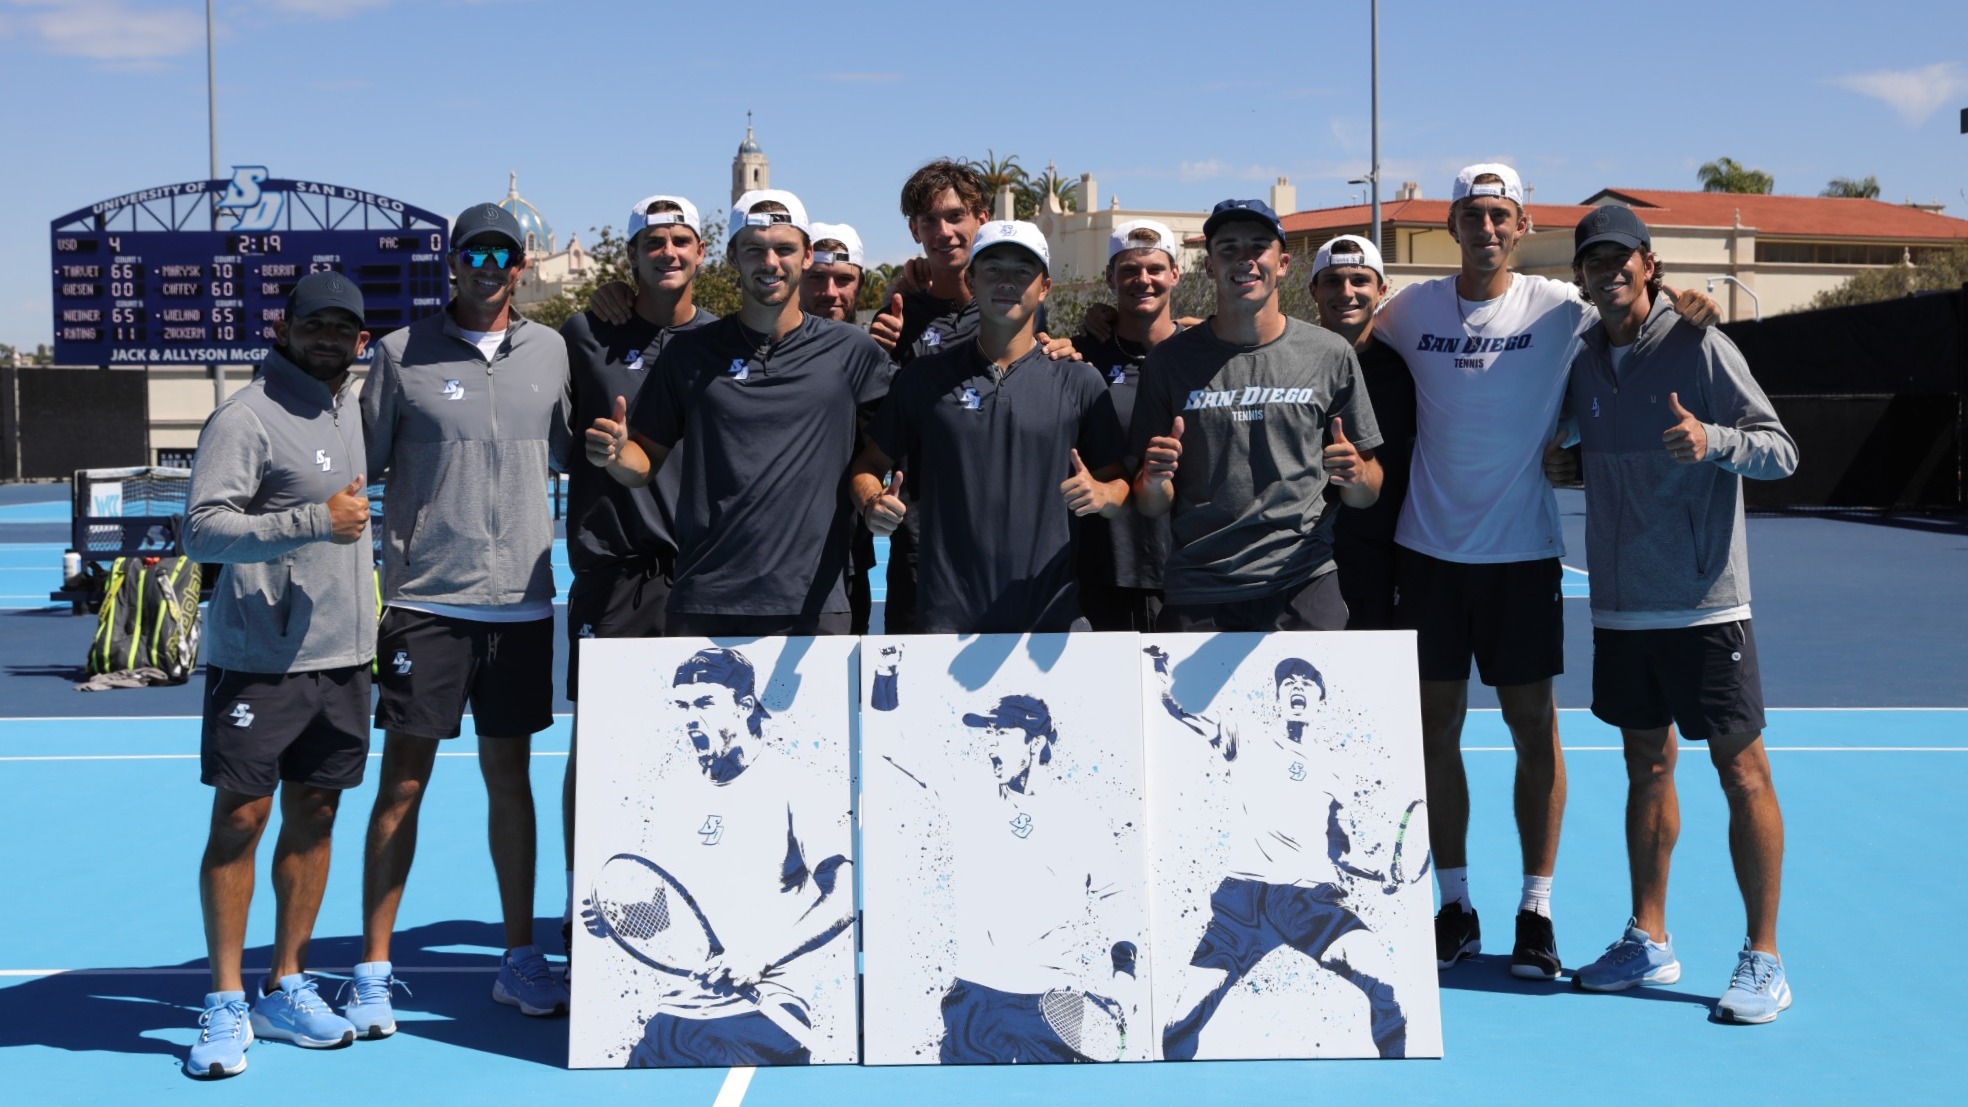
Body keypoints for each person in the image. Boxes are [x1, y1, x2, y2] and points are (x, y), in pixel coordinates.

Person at [1367, 164, 1717, 978]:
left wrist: (1684, 299)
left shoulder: (1561, 308)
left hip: (1521, 556)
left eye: (1501, 215)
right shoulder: (1411, 310)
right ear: (1453, 224)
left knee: (1534, 732)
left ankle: (1536, 911)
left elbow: (1634, 310)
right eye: (1473, 214)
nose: (1486, 227)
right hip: (1428, 554)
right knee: (1435, 731)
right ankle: (1454, 905)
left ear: (1521, 226)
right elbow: (1335, 331)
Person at [1545, 206, 1797, 1022]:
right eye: (1594, 260)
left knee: (1742, 773)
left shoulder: (1701, 344)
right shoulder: (1583, 359)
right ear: (1582, 274)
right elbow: (1572, 439)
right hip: (1623, 611)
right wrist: (1563, 454)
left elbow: (1780, 449)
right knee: (1646, 769)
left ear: (1648, 264)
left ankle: (1765, 957)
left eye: (1621, 257)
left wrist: (1715, 440)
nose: (1608, 269)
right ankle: (1648, 937)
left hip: (1704, 607)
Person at [353, 202, 573, 1032]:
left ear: (521, 266)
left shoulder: (550, 351)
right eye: (475, 253)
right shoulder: (398, 355)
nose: (489, 267)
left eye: (503, 254)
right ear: (452, 263)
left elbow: (576, 450)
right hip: (425, 603)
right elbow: (358, 466)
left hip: (521, 603)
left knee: (510, 777)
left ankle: (519, 956)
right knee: (403, 781)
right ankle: (374, 969)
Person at [179, 272, 376, 1077]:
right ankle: (225, 999)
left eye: (342, 327)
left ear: (360, 340)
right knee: (242, 818)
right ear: (284, 327)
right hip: (261, 659)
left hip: (343, 655)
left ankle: (284, 982)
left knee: (317, 813)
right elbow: (201, 530)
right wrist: (313, 521)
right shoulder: (245, 416)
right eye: (314, 323)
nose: (328, 337)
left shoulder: (354, 404)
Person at [585, 189, 888, 637]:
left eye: (784, 249)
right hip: (705, 600)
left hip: (816, 602)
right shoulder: (688, 354)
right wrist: (613, 455)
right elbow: (644, 461)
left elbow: (875, 457)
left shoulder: (854, 352)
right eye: (754, 250)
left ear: (806, 256)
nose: (770, 262)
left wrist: (873, 499)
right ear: (732, 257)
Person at [558, 193, 717, 958]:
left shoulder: (724, 340)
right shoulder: (586, 332)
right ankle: (582, 902)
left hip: (706, 575)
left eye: (681, 239)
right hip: (615, 575)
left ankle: (694, 899)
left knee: (701, 751)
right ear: (631, 257)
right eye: (653, 242)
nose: (668, 252)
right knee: (600, 749)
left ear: (701, 252)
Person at [851, 221, 1128, 634]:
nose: (1007, 282)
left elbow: (1119, 482)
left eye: (1022, 271)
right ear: (971, 281)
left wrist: (1103, 494)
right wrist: (872, 502)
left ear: (1045, 287)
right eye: (993, 269)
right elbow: (867, 466)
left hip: (1051, 622)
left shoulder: (1079, 380)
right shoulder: (923, 378)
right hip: (945, 623)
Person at [583, 647, 854, 1065]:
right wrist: (621, 921)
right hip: (678, 1011)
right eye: (683, 706)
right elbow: (671, 912)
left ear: (744, 706)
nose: (691, 718)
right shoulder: (673, 793)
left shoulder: (794, 784)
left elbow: (845, 895)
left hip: (764, 1007)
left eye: (705, 703)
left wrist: (759, 958)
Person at [1130, 198, 1383, 632]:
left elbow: (1368, 491)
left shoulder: (1330, 353)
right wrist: (1153, 481)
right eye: (1228, 248)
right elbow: (1150, 503)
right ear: (1209, 267)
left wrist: (1357, 475)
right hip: (1200, 590)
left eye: (1258, 247)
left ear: (1282, 264)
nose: (1244, 259)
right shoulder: (1167, 362)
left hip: (1304, 582)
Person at [1153, 651, 1410, 1060]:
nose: (1296, 685)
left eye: (1307, 681)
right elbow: (1182, 710)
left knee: (1388, 987)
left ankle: (1397, 1073)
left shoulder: (1334, 768)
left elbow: (1341, 851)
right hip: (1244, 903)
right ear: (1277, 698)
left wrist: (1382, 873)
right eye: (1287, 681)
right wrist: (1163, 679)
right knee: (1177, 1025)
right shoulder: (1244, 735)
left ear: (1321, 699)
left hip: (1311, 902)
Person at [1070, 221, 1181, 632]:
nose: (1143, 280)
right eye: (1130, 270)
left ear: (1175, 274)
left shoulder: (1202, 353)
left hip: (1189, 573)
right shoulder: (1077, 357)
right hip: (1100, 571)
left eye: (1155, 269)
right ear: (1109, 278)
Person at [1309, 235, 1416, 630]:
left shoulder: (1408, 369)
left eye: (1359, 280)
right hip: (1300, 563)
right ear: (1313, 290)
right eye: (1333, 280)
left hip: (1385, 562)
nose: (1346, 292)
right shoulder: (1286, 362)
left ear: (1382, 290)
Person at [798, 221, 880, 636]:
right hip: (763, 569)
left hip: (847, 562)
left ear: (860, 284)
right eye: (816, 277)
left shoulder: (875, 358)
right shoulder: (752, 352)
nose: (830, 292)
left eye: (843, 279)